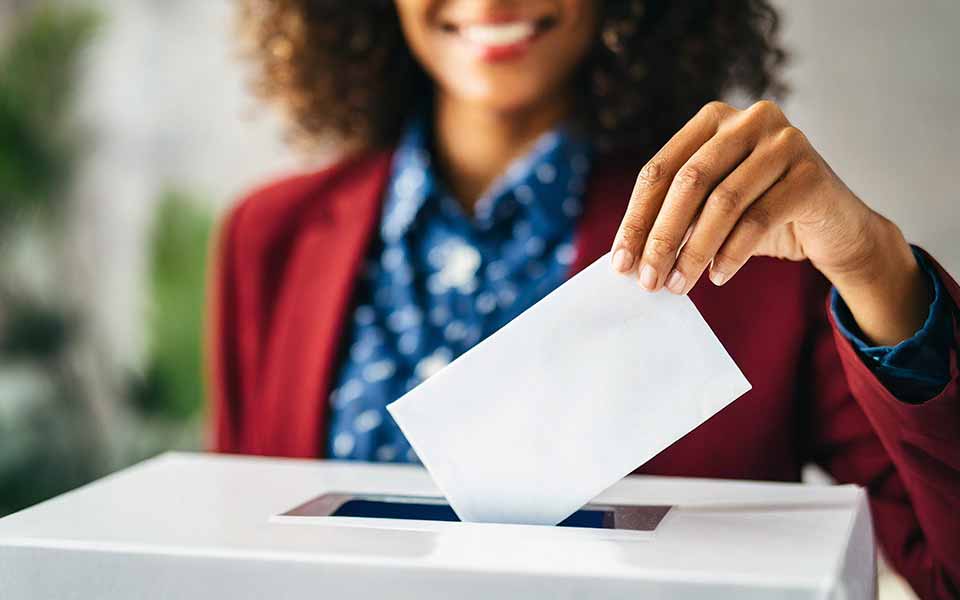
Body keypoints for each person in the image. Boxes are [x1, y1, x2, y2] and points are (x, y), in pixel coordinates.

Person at [210, 2, 959, 597]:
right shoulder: (269, 239)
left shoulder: (748, 244)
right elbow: (230, 558)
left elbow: (945, 568)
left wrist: (872, 262)